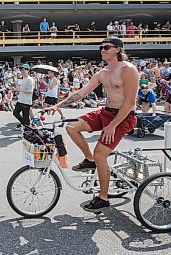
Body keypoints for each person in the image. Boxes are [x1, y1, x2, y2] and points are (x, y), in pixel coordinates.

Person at [47, 37, 139, 213]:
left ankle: (103, 198)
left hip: (123, 117)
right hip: (106, 112)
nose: (102, 50)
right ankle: (89, 160)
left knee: (100, 155)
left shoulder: (129, 70)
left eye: (106, 47)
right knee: (72, 127)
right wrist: (58, 105)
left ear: (118, 49)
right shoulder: (102, 73)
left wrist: (112, 125)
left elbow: (129, 102)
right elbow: (80, 94)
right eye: (100, 47)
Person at [12, 64, 34, 128]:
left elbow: (30, 91)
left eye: (23, 69)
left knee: (26, 118)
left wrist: (20, 90)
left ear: (27, 70)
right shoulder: (23, 79)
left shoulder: (30, 79)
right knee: (15, 113)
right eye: (21, 70)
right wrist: (16, 89)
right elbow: (21, 89)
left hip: (26, 102)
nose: (22, 71)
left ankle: (27, 130)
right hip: (20, 100)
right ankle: (24, 124)